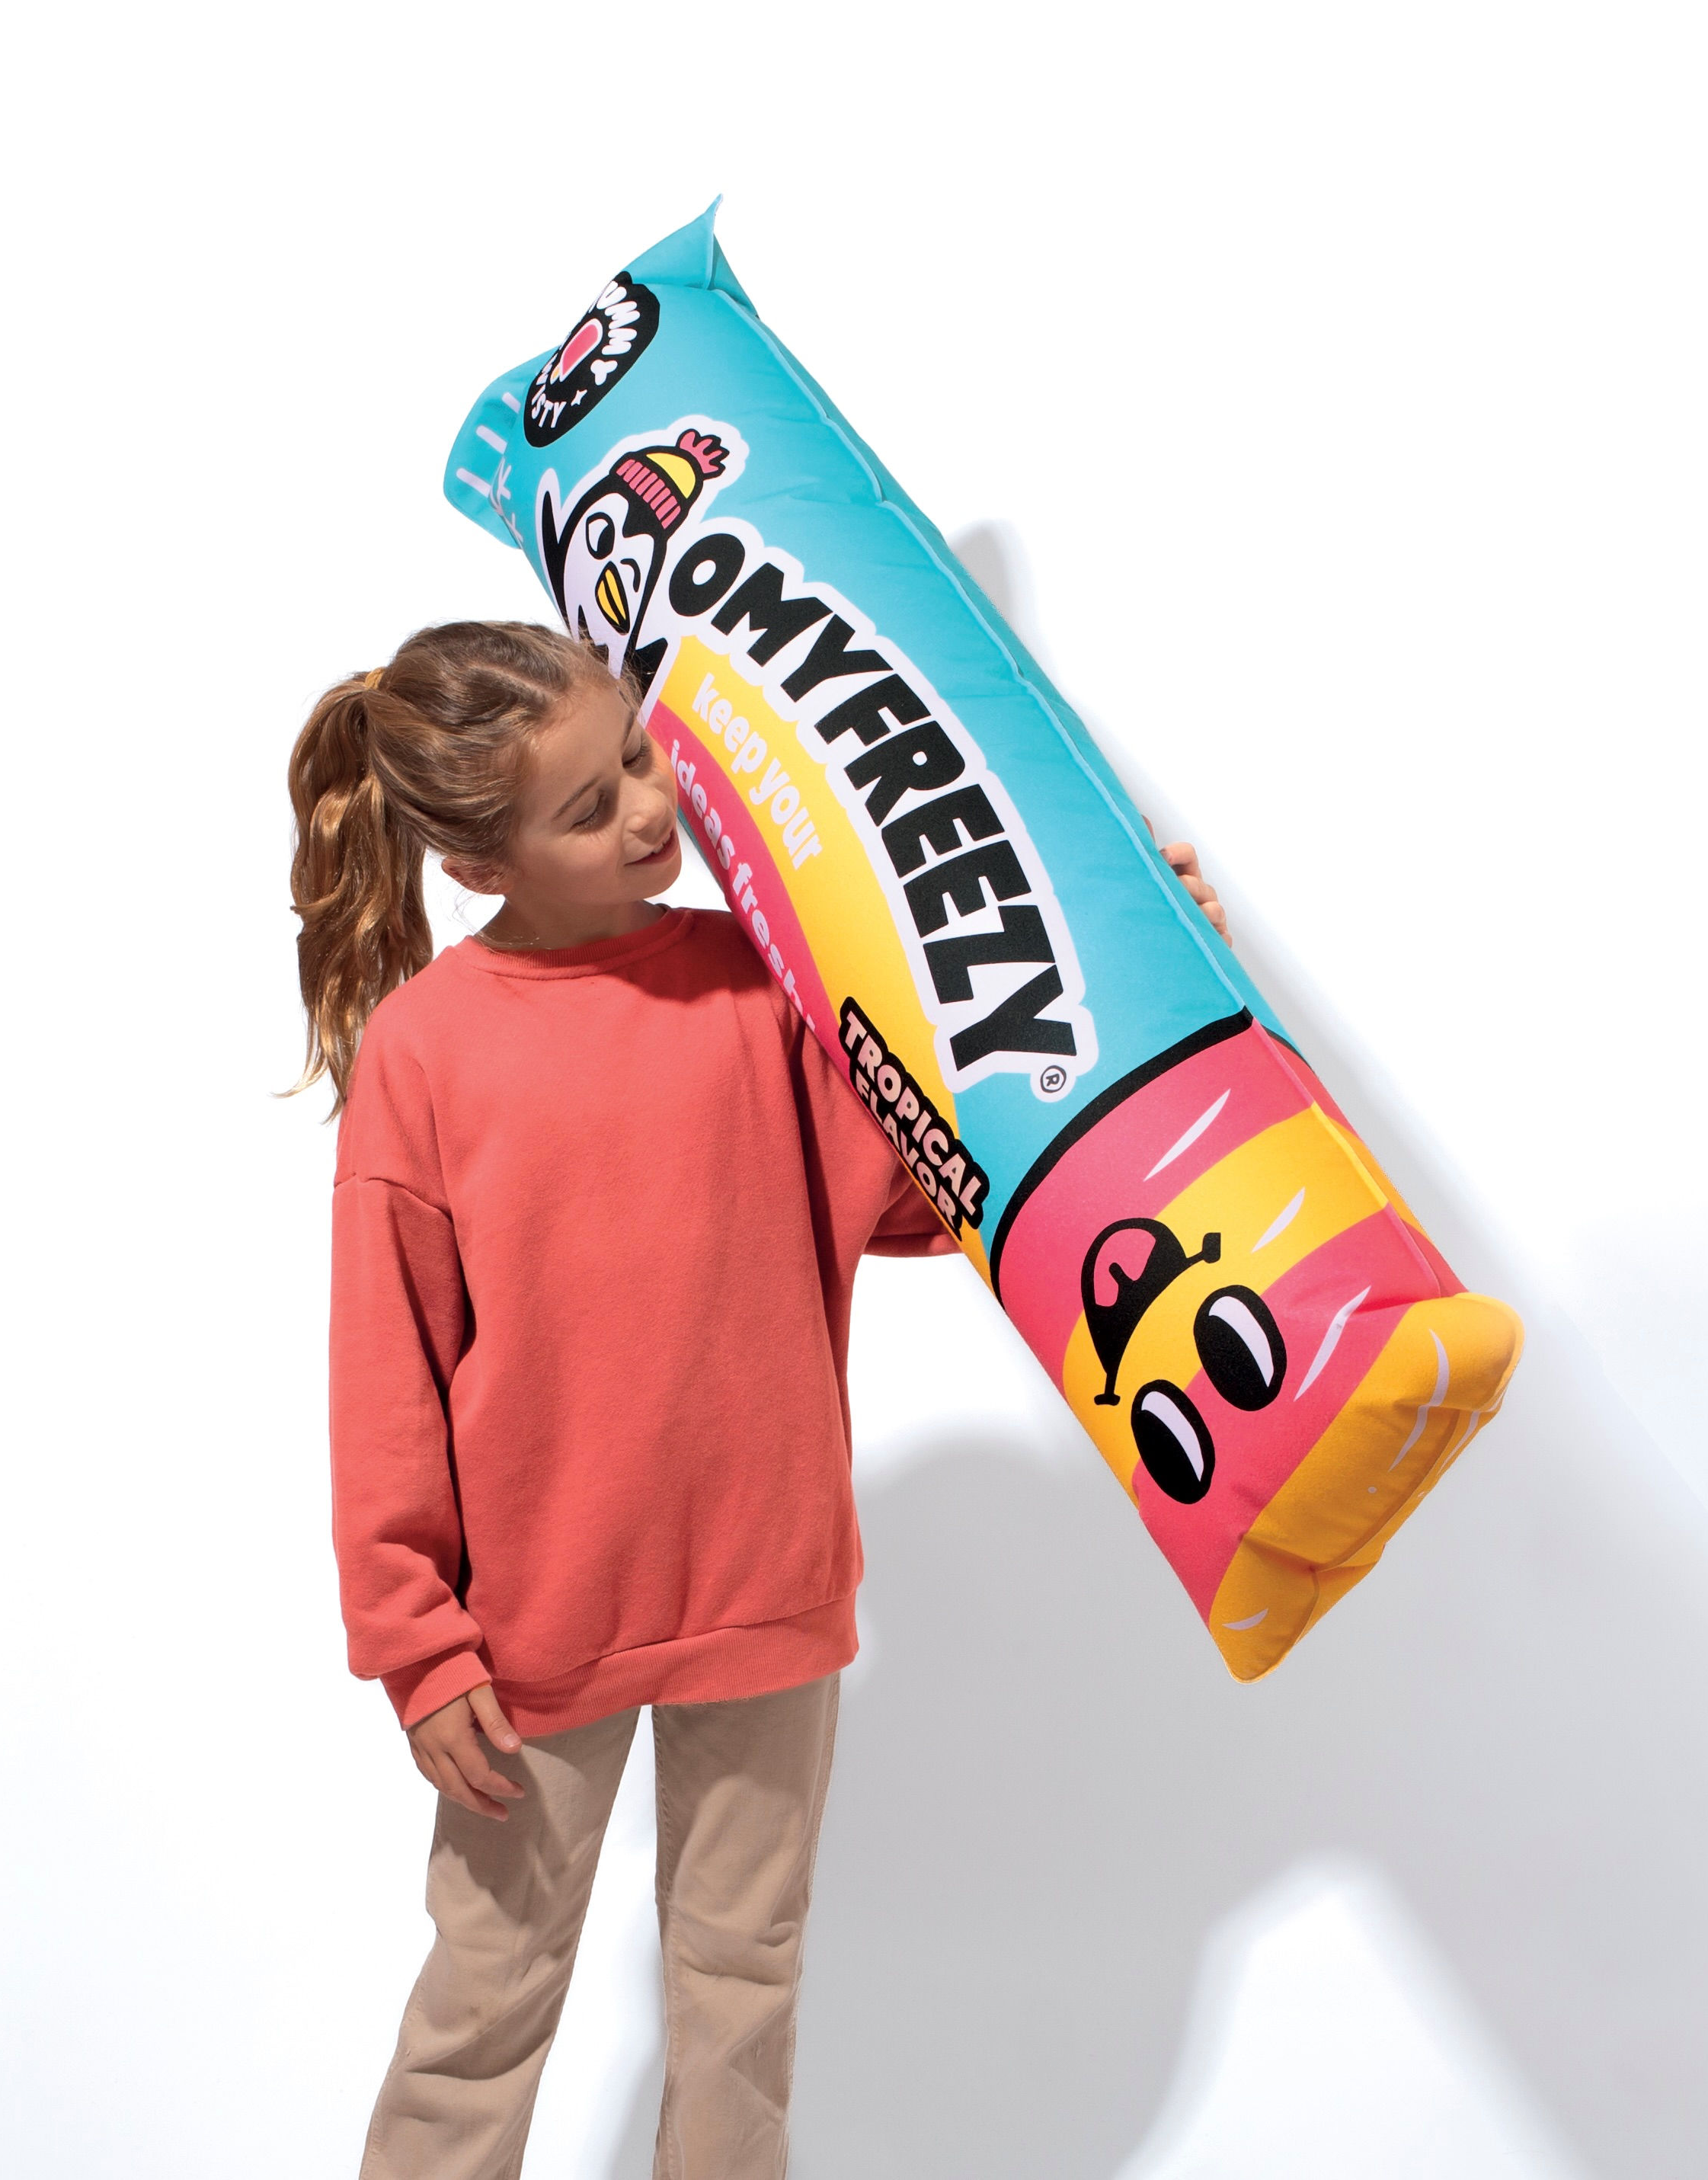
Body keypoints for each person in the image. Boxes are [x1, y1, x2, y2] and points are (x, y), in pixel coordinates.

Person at [289, 620, 1229, 2179]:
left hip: (766, 1583)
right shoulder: (426, 1051)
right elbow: (384, 1370)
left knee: (743, 1992)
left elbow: (932, 1176)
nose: (646, 807)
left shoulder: (758, 976)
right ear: (478, 866)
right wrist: (413, 1639)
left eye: (638, 756)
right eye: (587, 807)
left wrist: (1135, 958)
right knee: (483, 2010)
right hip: (531, 1635)